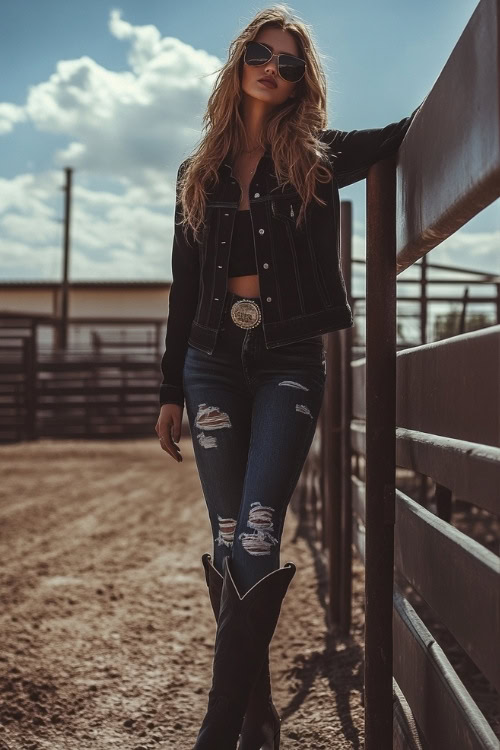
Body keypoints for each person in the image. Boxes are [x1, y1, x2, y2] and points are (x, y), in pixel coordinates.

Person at [155, 5, 422, 748]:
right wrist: (170, 389)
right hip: (210, 362)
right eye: (261, 55)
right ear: (239, 63)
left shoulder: (321, 155)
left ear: (303, 81)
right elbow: (183, 288)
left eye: (290, 63)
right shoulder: (196, 170)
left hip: (288, 363)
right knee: (231, 532)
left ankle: (219, 726)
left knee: (259, 532)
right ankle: (259, 716)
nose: (273, 68)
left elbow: (408, 129)